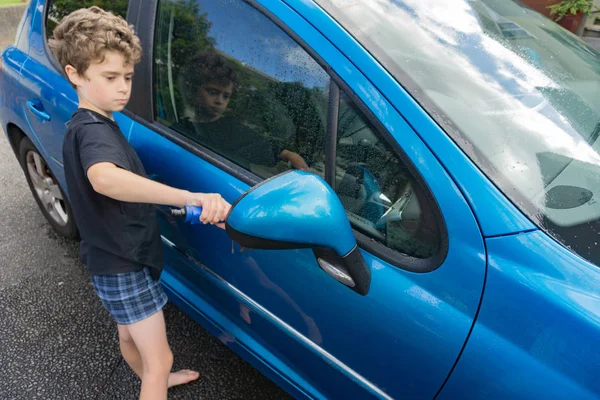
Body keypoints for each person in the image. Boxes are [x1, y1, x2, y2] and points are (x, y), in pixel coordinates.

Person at [49, 7, 231, 400]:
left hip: (107, 260)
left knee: (130, 336)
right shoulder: (96, 135)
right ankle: (155, 382)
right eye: (110, 77)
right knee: (159, 358)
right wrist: (191, 196)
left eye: (127, 77)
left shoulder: (86, 124)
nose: (123, 88)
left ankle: (155, 381)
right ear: (74, 75)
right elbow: (105, 178)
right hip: (124, 266)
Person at [174, 51, 309, 172]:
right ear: (191, 90)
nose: (219, 101)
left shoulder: (234, 130)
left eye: (226, 96)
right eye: (212, 92)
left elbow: (275, 151)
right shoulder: (178, 130)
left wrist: (291, 156)